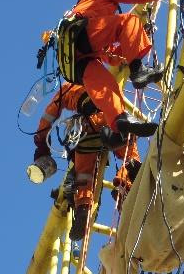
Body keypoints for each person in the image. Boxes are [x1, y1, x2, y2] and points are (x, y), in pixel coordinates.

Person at [57, 0, 183, 142]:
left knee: (108, 87)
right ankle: (138, 71)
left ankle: (118, 125)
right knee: (130, 21)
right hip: (83, 36)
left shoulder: (86, 4)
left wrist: (131, 41)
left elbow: (108, 54)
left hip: (74, 60)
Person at [30, 81, 142, 240]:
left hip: (87, 128)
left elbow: (50, 112)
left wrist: (42, 144)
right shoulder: (106, 79)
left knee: (84, 174)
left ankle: (83, 209)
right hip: (113, 123)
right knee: (131, 157)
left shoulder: (69, 87)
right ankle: (123, 183)